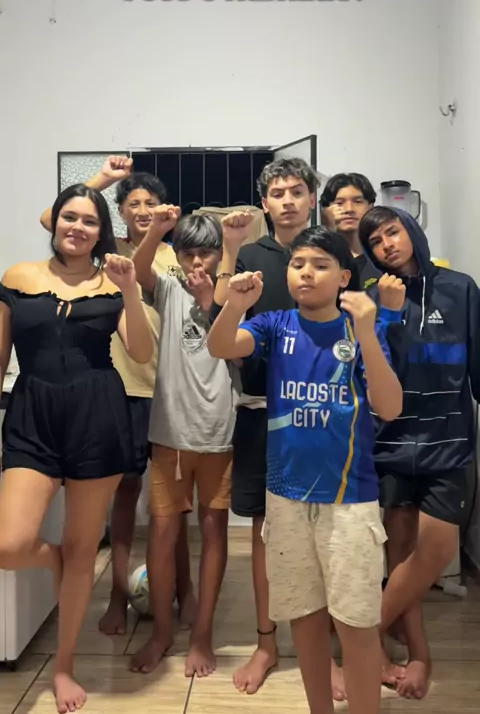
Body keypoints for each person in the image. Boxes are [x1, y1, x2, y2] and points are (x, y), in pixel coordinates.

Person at [207, 226, 403, 714]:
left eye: (319, 265)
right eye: (297, 264)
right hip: (286, 498)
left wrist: (367, 333)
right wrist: (235, 305)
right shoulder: (275, 324)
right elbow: (220, 346)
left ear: (344, 278)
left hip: (350, 500)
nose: (306, 274)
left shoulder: (362, 330)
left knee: (357, 626)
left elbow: (390, 407)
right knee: (305, 620)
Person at [0, 184, 154, 714]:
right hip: (32, 415)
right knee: (9, 544)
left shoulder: (114, 280)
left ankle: (63, 665)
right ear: (55, 220)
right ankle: (54, 561)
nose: (78, 227)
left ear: (101, 231)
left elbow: (141, 351)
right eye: (70, 216)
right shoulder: (18, 277)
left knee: (84, 548)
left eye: (90, 221)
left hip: (97, 416)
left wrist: (130, 291)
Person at [40, 156, 195, 636]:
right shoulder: (107, 250)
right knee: (125, 493)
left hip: (171, 390)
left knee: (172, 501)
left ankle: (186, 590)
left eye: (151, 202)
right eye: (133, 204)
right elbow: (51, 218)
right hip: (122, 389)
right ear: (120, 212)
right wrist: (104, 179)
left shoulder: (177, 255)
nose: (143, 210)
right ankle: (118, 595)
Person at [211, 157, 328, 695]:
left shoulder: (331, 251)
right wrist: (231, 249)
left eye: (297, 191)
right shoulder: (253, 256)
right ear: (265, 203)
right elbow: (221, 312)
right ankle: (266, 643)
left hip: (323, 413)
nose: (287, 200)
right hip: (261, 409)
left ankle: (326, 649)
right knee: (265, 533)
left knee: (324, 531)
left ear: (312, 198)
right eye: (277, 193)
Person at [359, 205, 480, 699]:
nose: (387, 244)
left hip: (448, 442)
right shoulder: (371, 298)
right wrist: (386, 312)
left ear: (410, 230)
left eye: (392, 232)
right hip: (390, 441)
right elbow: (372, 370)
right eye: (376, 241)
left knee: (437, 550)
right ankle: (419, 654)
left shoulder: (460, 288)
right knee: (401, 553)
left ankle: (363, 641)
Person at [130, 205, 240, 678]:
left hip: (219, 434)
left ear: (219, 255)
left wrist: (213, 297)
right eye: (189, 253)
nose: (198, 262)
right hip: (170, 434)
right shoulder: (169, 289)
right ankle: (161, 633)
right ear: (177, 256)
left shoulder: (235, 292)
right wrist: (157, 230)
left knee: (215, 532)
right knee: (162, 532)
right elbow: (137, 272)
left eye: (207, 253)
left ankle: (203, 636)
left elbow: (239, 345)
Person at [320, 172, 379, 291]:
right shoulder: (315, 256)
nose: (349, 209)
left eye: (357, 201)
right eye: (339, 203)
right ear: (326, 210)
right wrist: (329, 229)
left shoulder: (381, 256)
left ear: (371, 207)